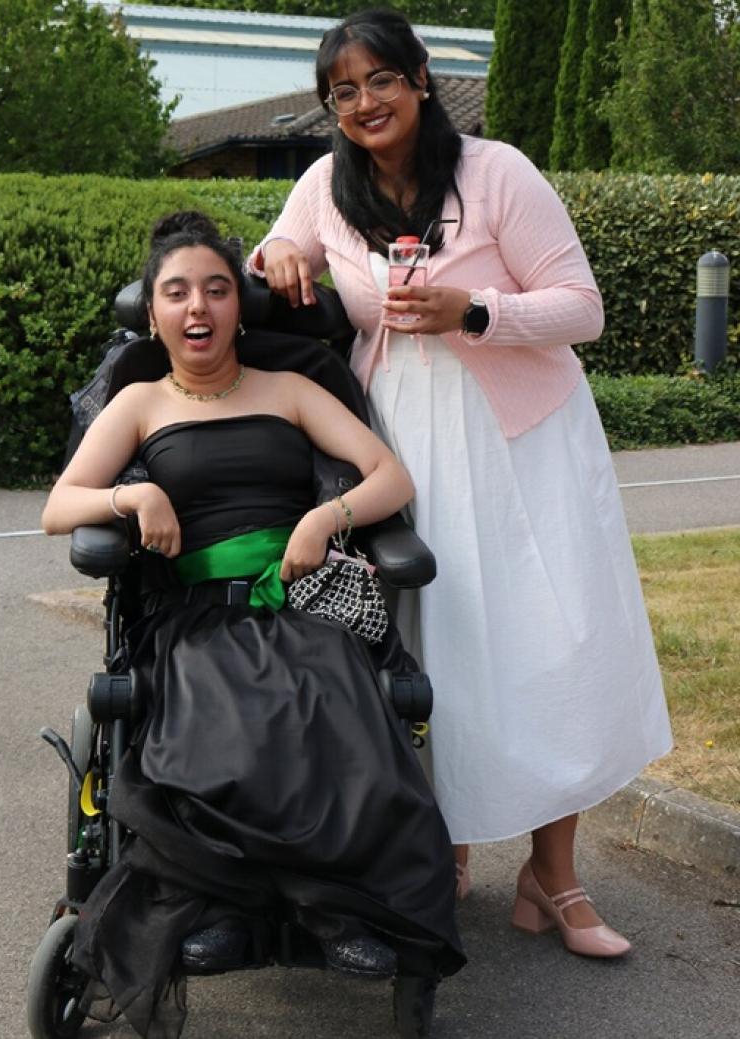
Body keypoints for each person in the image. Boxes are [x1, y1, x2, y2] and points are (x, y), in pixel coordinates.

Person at [250, 8, 672, 957]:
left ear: (421, 78)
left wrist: (471, 308)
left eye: (380, 81)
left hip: (526, 441)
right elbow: (276, 256)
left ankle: (554, 877)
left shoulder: (499, 172)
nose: (365, 103)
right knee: (442, 651)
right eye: (343, 92)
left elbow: (583, 308)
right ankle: (446, 851)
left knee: (547, 648)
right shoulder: (325, 185)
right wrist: (275, 252)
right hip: (406, 440)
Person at [42, 210, 465, 1038]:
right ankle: (217, 906)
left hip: (300, 600)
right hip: (191, 613)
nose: (197, 306)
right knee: (218, 707)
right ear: (155, 314)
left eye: (216, 289)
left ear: (239, 305)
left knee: (327, 695)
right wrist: (136, 494)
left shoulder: (293, 387)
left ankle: (338, 913)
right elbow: (61, 506)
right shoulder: (137, 403)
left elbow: (390, 474)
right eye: (176, 292)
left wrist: (324, 516)